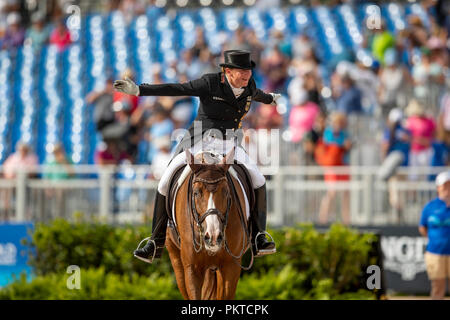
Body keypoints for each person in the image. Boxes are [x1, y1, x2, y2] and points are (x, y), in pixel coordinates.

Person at [114, 50, 280, 263]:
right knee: (166, 179)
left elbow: (256, 94)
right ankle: (155, 241)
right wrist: (139, 90)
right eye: (242, 72)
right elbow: (177, 88)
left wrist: (269, 99)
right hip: (199, 139)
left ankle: (259, 237)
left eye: (248, 71)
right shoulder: (209, 83)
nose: (246, 76)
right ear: (228, 71)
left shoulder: (248, 84)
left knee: (258, 179)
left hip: (229, 141)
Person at [419, 171, 450, 300]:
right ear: (438, 188)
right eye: (445, 186)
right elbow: (422, 227)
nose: (448, 189)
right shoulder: (430, 207)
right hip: (435, 252)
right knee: (438, 288)